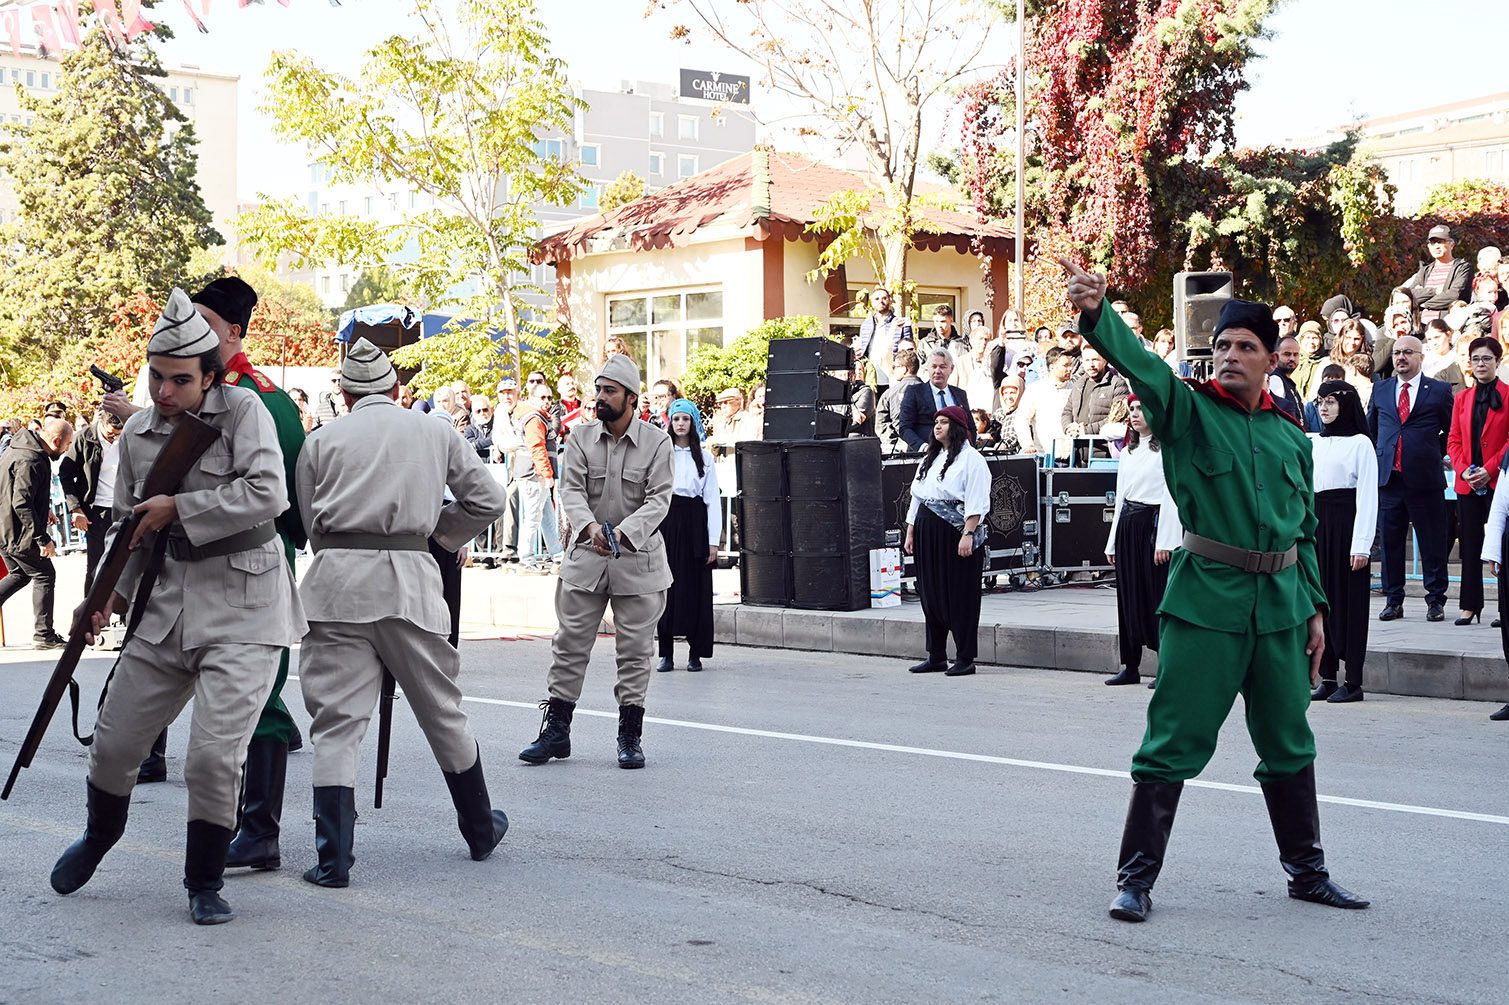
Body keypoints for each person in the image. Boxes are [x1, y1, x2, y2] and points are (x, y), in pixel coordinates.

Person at [1062, 258, 1368, 924]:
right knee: (1172, 739)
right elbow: (1143, 368)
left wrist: (1314, 607)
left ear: (1271, 360)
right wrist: (1097, 313)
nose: (1228, 355)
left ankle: (1306, 872)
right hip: (1206, 601)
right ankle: (1135, 878)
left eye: (1244, 347)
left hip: (1281, 608)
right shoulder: (1188, 412)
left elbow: (1306, 528)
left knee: (1290, 740)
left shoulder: (1291, 437)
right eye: (1223, 345)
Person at [52, 289, 305, 926]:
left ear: (211, 375)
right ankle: (99, 835)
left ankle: (204, 880)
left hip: (246, 606)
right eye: (156, 378)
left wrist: (183, 510)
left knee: (214, 756)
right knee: (114, 743)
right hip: (165, 604)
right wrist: (106, 594)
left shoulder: (246, 412)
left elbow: (269, 494)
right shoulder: (137, 433)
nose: (164, 392)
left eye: (180, 380)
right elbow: (133, 527)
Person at [294, 338, 510, 888]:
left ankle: (332, 859)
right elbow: (490, 499)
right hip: (410, 585)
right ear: (396, 389)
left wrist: (345, 550)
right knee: (442, 710)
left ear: (343, 393)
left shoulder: (320, 441)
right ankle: (480, 828)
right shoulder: (436, 430)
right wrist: (438, 533)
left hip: (337, 587)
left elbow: (310, 524)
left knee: (337, 724)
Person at [182, 276, 310, 866]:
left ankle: (259, 831)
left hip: (254, 563)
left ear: (233, 332)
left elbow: (284, 498)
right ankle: (236, 823)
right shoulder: (201, 391)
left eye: (204, 323)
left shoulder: (262, 398)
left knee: (260, 698)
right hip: (199, 567)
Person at [518, 354, 673, 769]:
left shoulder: (657, 442)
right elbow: (571, 491)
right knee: (568, 645)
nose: (600, 397)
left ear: (631, 397)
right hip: (587, 557)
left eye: (610, 391)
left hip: (637, 561)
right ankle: (556, 733)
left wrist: (622, 534)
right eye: (598, 389)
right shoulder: (582, 437)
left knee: (635, 653)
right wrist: (590, 530)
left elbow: (659, 500)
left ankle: (629, 737)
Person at [1369, 333, 1454, 622]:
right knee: (1391, 542)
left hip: (1425, 479)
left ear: (1420, 357)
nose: (1401, 357)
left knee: (1432, 541)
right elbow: (1371, 430)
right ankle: (1393, 600)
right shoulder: (1380, 390)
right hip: (1390, 479)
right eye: (1396, 353)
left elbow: (1451, 431)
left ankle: (1435, 599)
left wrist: (1430, 451)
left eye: (1407, 352)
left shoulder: (1439, 390)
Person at [902, 405, 990, 677]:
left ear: (958, 427)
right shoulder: (930, 457)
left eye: (944, 422)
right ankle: (936, 655)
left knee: (959, 594)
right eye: (936, 422)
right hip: (928, 530)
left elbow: (977, 500)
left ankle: (965, 657)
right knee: (930, 592)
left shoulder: (971, 459)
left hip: (954, 532)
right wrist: (910, 530)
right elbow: (918, 496)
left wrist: (968, 533)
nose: (937, 426)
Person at [1103, 395, 1182, 687]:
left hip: (1154, 524)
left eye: (1141, 408)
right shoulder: (1128, 452)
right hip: (1129, 524)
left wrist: (1165, 541)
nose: (1135, 414)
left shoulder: (1167, 451)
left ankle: (1166, 666)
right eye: (1132, 409)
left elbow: (1171, 497)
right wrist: (1112, 542)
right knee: (1127, 595)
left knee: (1156, 596)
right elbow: (1120, 496)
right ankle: (1130, 664)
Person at [1308, 381, 1378, 704]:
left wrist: (1361, 544)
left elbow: (1367, 495)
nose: (1323, 407)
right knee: (1323, 599)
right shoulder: (1315, 443)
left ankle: (1353, 680)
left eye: (1331, 401)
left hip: (1348, 523)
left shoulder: (1361, 443)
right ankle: (1328, 675)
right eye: (1320, 401)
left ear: (1346, 404)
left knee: (1349, 601)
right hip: (1320, 523)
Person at [1446, 337, 1509, 626]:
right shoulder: (1462, 398)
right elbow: (1454, 440)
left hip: (1499, 482)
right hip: (1468, 482)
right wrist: (1464, 471)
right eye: (1476, 359)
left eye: (1487, 359)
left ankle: (1503, 607)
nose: (1481, 364)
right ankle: (1470, 605)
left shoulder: (1508, 395)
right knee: (1470, 543)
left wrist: (1490, 469)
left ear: (1497, 361)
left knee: (1502, 545)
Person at [655, 399, 719, 673]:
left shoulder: (704, 457)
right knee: (665, 587)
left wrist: (713, 541)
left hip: (694, 522)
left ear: (693, 423)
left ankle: (696, 653)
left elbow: (712, 500)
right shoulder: (661, 455)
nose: (681, 424)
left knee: (695, 589)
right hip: (668, 521)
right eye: (677, 418)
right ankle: (666, 653)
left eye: (686, 419)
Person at [0, 415, 74, 648]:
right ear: (54, 441)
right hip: (17, 532)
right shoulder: (32, 460)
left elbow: (23, 493)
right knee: (44, 575)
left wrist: (46, 510)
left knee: (20, 575)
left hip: (5, 527)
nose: (67, 449)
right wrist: (43, 539)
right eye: (67, 445)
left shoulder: (21, 446)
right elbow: (21, 502)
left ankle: (44, 633)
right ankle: (44, 635)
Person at [59, 409, 125, 594]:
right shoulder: (84, 438)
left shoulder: (127, 437)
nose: (113, 438)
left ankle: (123, 613)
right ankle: (90, 613)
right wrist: (76, 508)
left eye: (117, 435)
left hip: (123, 507)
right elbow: (65, 474)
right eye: (110, 434)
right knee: (97, 565)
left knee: (124, 562)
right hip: (96, 510)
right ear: (101, 423)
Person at [514, 381, 560, 569]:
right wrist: (547, 473)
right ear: (531, 398)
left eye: (549, 397)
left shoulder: (535, 416)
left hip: (534, 473)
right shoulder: (534, 418)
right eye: (542, 397)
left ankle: (557, 555)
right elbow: (537, 448)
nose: (547, 401)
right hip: (534, 474)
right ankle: (526, 560)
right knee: (533, 518)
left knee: (547, 516)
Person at [1061, 344, 1130, 458]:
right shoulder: (1078, 384)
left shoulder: (1117, 384)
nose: (1091, 364)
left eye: (1095, 360)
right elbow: (1067, 411)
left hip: (1104, 453)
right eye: (1087, 360)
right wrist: (1069, 427)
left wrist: (1087, 430)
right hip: (1077, 454)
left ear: (1104, 361)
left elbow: (1119, 417)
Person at [898, 348, 971, 452]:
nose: (937, 371)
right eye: (933, 366)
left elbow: (970, 427)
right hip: (925, 455)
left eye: (942, 367)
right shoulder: (914, 392)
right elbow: (905, 428)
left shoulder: (960, 394)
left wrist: (967, 448)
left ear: (951, 369)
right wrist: (923, 448)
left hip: (957, 454)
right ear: (928, 368)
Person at [1014, 346, 1074, 458]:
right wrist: (1028, 445)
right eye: (1065, 365)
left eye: (1071, 365)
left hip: (1071, 457)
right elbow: (1021, 419)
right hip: (1044, 456)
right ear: (1052, 367)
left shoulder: (1075, 389)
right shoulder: (1035, 389)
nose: (1070, 369)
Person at [1407, 225, 1472, 323]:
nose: (1436, 246)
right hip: (1421, 328)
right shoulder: (1425, 271)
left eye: (1440, 242)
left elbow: (1454, 295)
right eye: (1433, 243)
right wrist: (1435, 291)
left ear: (1452, 245)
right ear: (1428, 246)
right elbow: (1409, 296)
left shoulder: (1462, 268)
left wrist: (1424, 304)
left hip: (1447, 327)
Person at [854, 287, 912, 390]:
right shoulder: (866, 325)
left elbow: (909, 352)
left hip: (893, 377)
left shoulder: (901, 323)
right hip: (870, 378)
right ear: (872, 303)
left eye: (884, 298)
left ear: (890, 301)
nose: (881, 301)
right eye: (876, 299)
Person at [876, 349, 922, 454]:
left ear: (904, 369)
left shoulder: (889, 394)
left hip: (897, 451)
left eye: (895, 367)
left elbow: (881, 424)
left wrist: (895, 443)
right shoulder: (931, 392)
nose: (893, 370)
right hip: (925, 447)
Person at [1269, 336, 1307, 426]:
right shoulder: (1275, 379)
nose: (1292, 358)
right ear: (1275, 356)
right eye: (1287, 354)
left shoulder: (1287, 380)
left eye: (1295, 354)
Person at [990, 375, 1025, 455]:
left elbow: (1020, 434)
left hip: (1019, 456)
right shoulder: (998, 413)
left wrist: (1005, 444)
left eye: (1012, 393)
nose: (1008, 397)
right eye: (1005, 393)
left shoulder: (1025, 411)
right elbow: (992, 433)